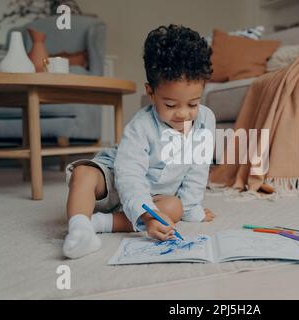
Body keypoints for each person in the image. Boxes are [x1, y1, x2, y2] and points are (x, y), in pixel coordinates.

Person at [62, 24, 216, 259]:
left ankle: (99, 223)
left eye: (193, 104)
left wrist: (192, 209)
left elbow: (198, 168)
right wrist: (145, 216)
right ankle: (79, 228)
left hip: (154, 197)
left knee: (175, 208)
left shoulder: (206, 120)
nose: (183, 114)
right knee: (83, 173)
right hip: (116, 180)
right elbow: (129, 175)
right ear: (151, 92)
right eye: (171, 105)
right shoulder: (140, 126)